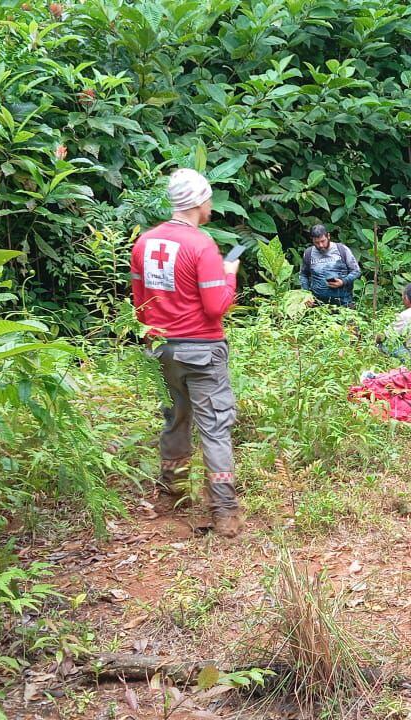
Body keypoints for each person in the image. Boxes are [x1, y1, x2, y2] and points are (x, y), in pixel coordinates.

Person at [130, 168, 244, 539]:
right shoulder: (202, 246)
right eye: (209, 198)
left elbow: (139, 303)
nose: (211, 205)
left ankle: (172, 492)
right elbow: (216, 307)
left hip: (162, 347)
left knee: (176, 416)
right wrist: (229, 274)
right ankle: (225, 510)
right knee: (215, 426)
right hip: (203, 348)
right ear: (198, 201)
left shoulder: (144, 243)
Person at [299, 224, 360, 307]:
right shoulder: (308, 253)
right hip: (318, 304)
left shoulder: (342, 249)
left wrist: (343, 282)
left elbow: (356, 271)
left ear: (328, 236)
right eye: (317, 242)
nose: (320, 245)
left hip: (344, 303)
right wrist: (305, 295)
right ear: (312, 240)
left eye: (323, 241)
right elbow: (303, 275)